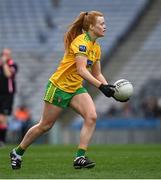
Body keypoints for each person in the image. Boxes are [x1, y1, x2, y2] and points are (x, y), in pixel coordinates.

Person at [10, 11, 115, 170]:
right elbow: (81, 70)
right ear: (91, 27)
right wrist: (101, 87)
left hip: (75, 88)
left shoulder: (96, 47)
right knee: (45, 126)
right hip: (59, 88)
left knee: (91, 116)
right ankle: (17, 152)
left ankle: (80, 157)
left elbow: (97, 73)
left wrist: (110, 89)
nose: (105, 26)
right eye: (102, 24)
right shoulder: (81, 42)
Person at [0, 48, 18, 146]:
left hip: (7, 95)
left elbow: (8, 74)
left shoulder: (12, 65)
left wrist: (4, 64)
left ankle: (2, 141)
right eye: (5, 54)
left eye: (8, 54)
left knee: (2, 119)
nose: (7, 56)